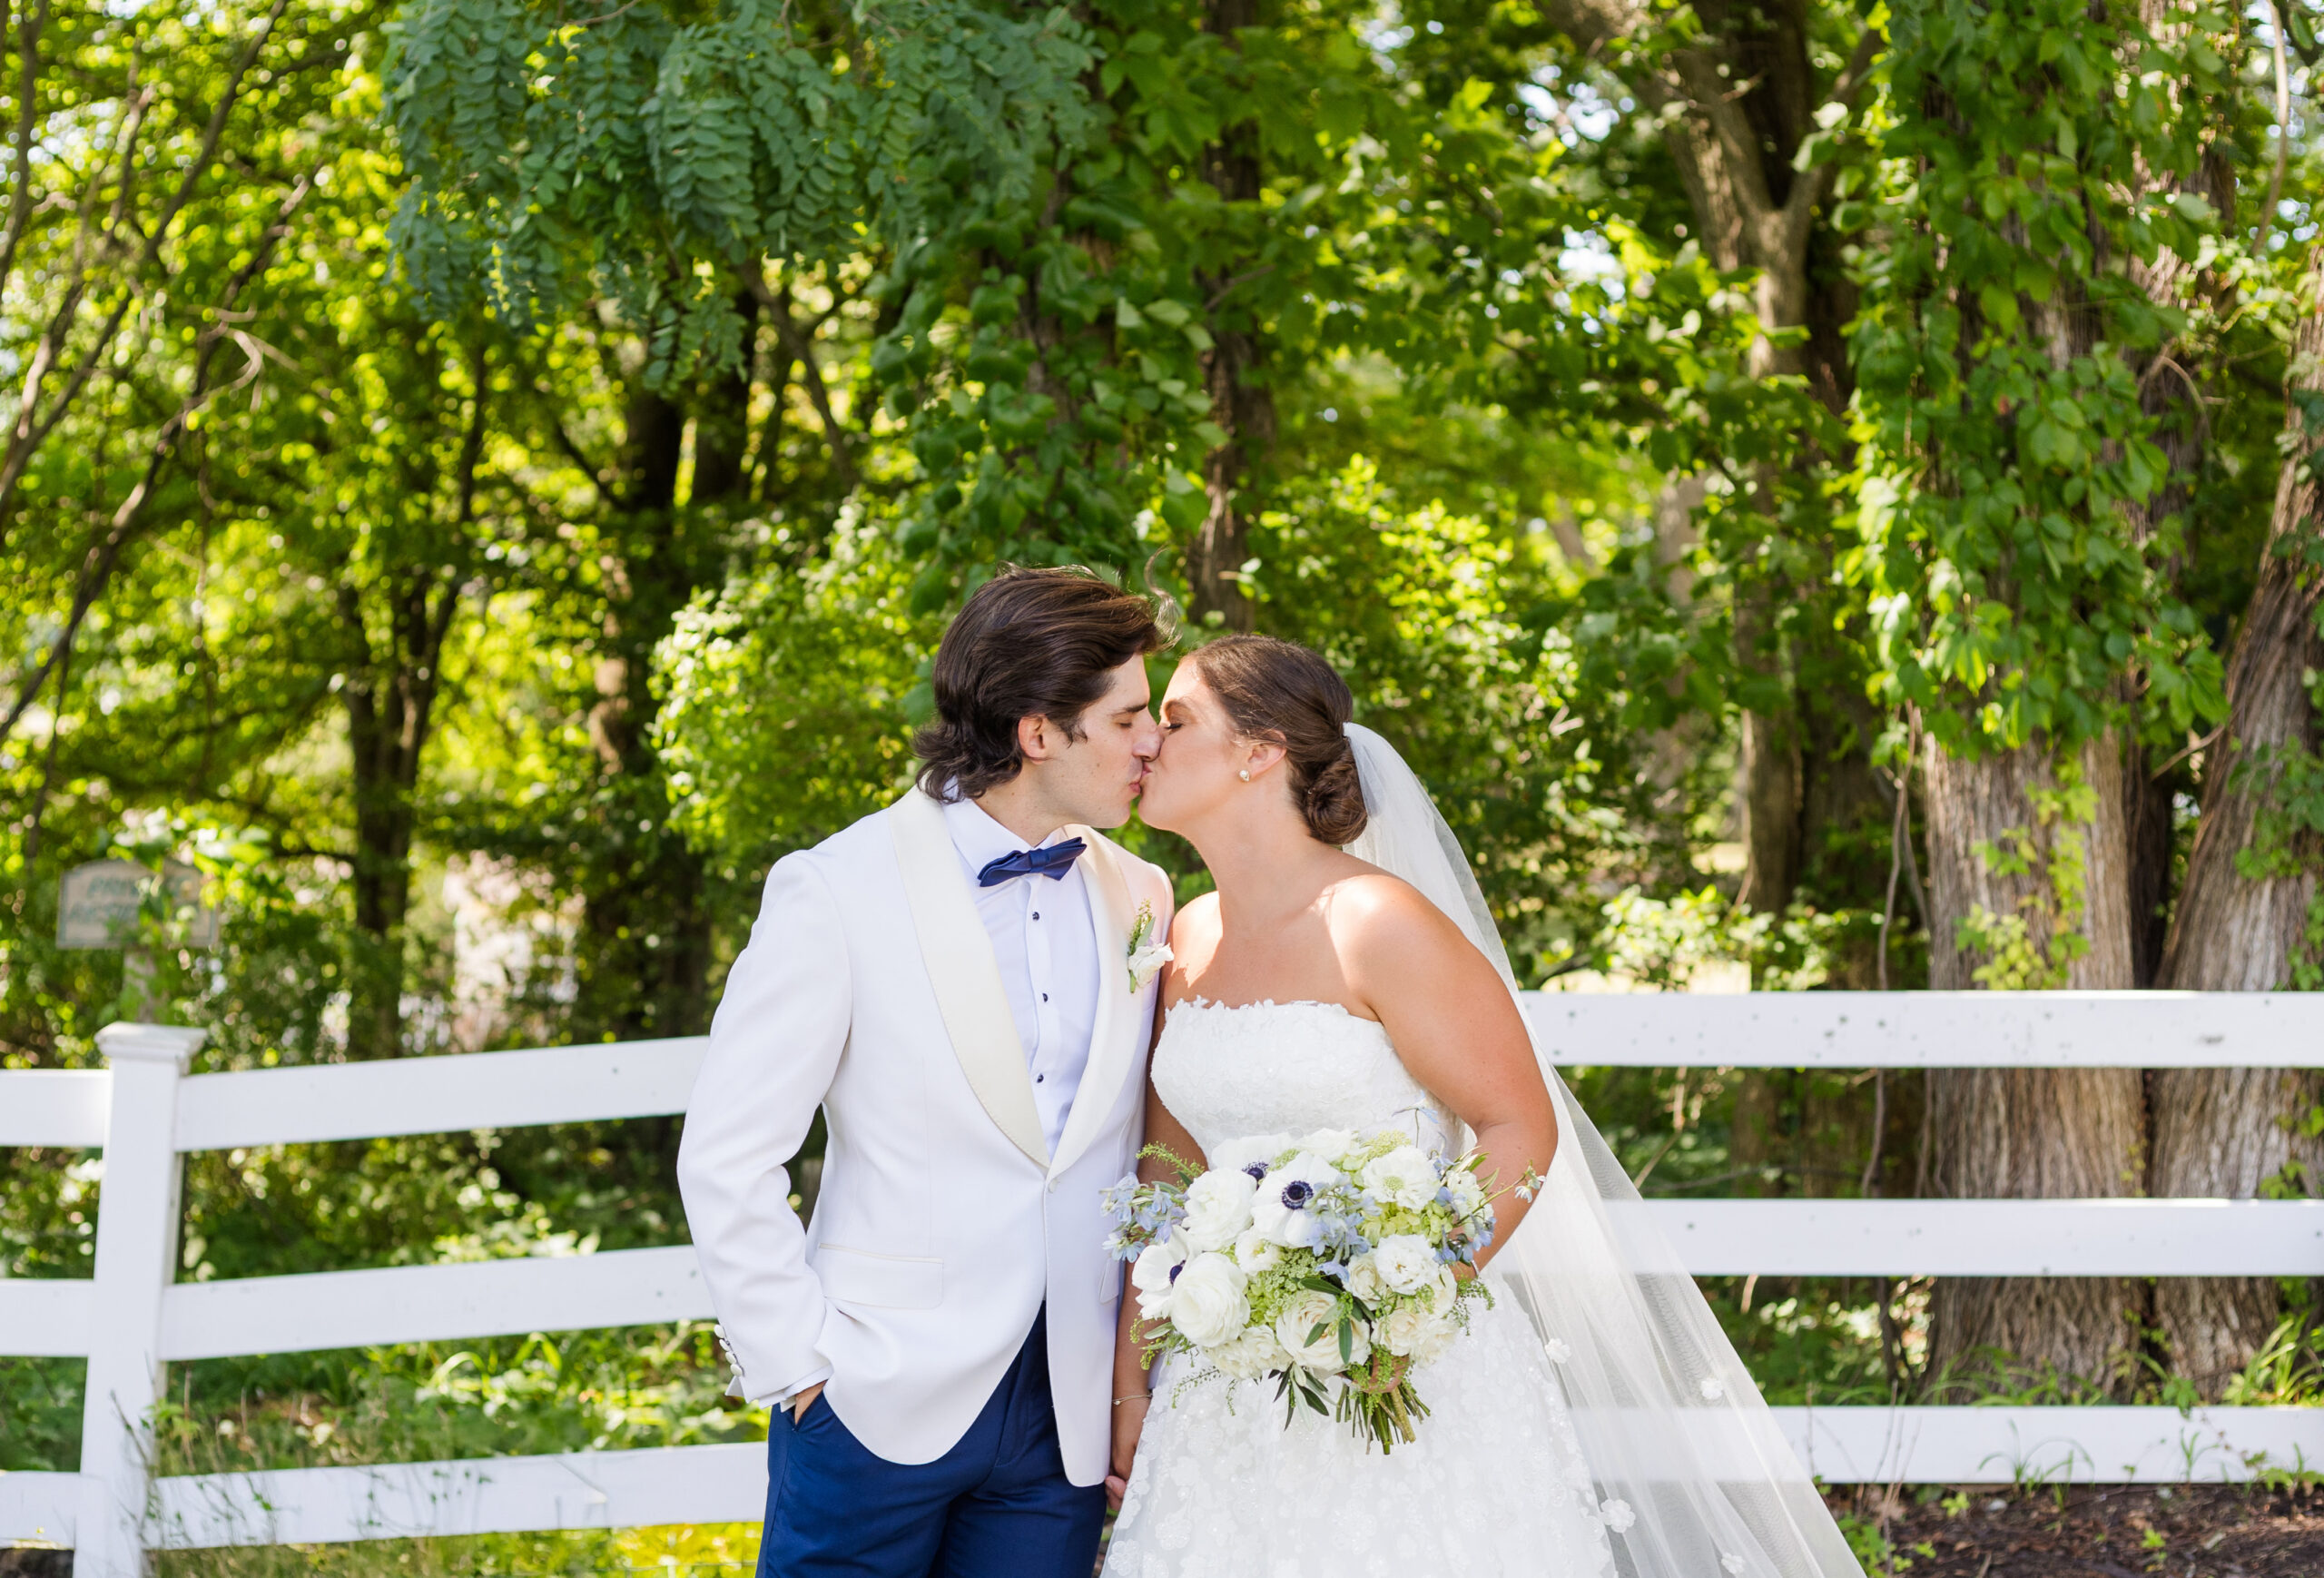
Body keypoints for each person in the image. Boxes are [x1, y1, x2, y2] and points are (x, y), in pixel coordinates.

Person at [1103, 634, 1866, 1578]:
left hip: (1402, 1367)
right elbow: (1169, 1170)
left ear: (1258, 752)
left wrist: (1399, 1297)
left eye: (1174, 722)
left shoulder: (1377, 924)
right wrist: (1131, 1374)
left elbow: (1519, 1127)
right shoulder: (1186, 931)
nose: (1145, 744)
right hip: (1220, 1380)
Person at [677, 567, 1177, 1578]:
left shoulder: (1142, 893)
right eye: (1126, 719)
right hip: (869, 1397)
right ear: (1040, 731)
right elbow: (727, 1153)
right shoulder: (834, 889)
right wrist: (801, 1366)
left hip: (1060, 1420)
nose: (1151, 743)